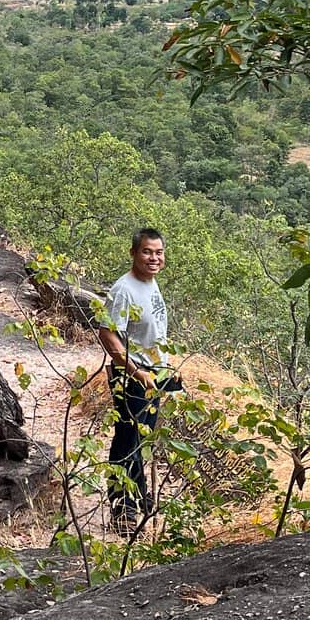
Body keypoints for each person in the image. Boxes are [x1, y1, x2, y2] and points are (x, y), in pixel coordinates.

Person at [97, 227, 181, 531]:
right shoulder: (125, 289)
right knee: (126, 441)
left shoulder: (150, 283)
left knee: (139, 439)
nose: (154, 257)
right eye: (147, 251)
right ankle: (122, 512)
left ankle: (140, 497)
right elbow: (107, 333)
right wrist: (137, 371)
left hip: (153, 375)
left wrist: (165, 368)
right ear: (134, 253)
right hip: (133, 377)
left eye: (158, 252)